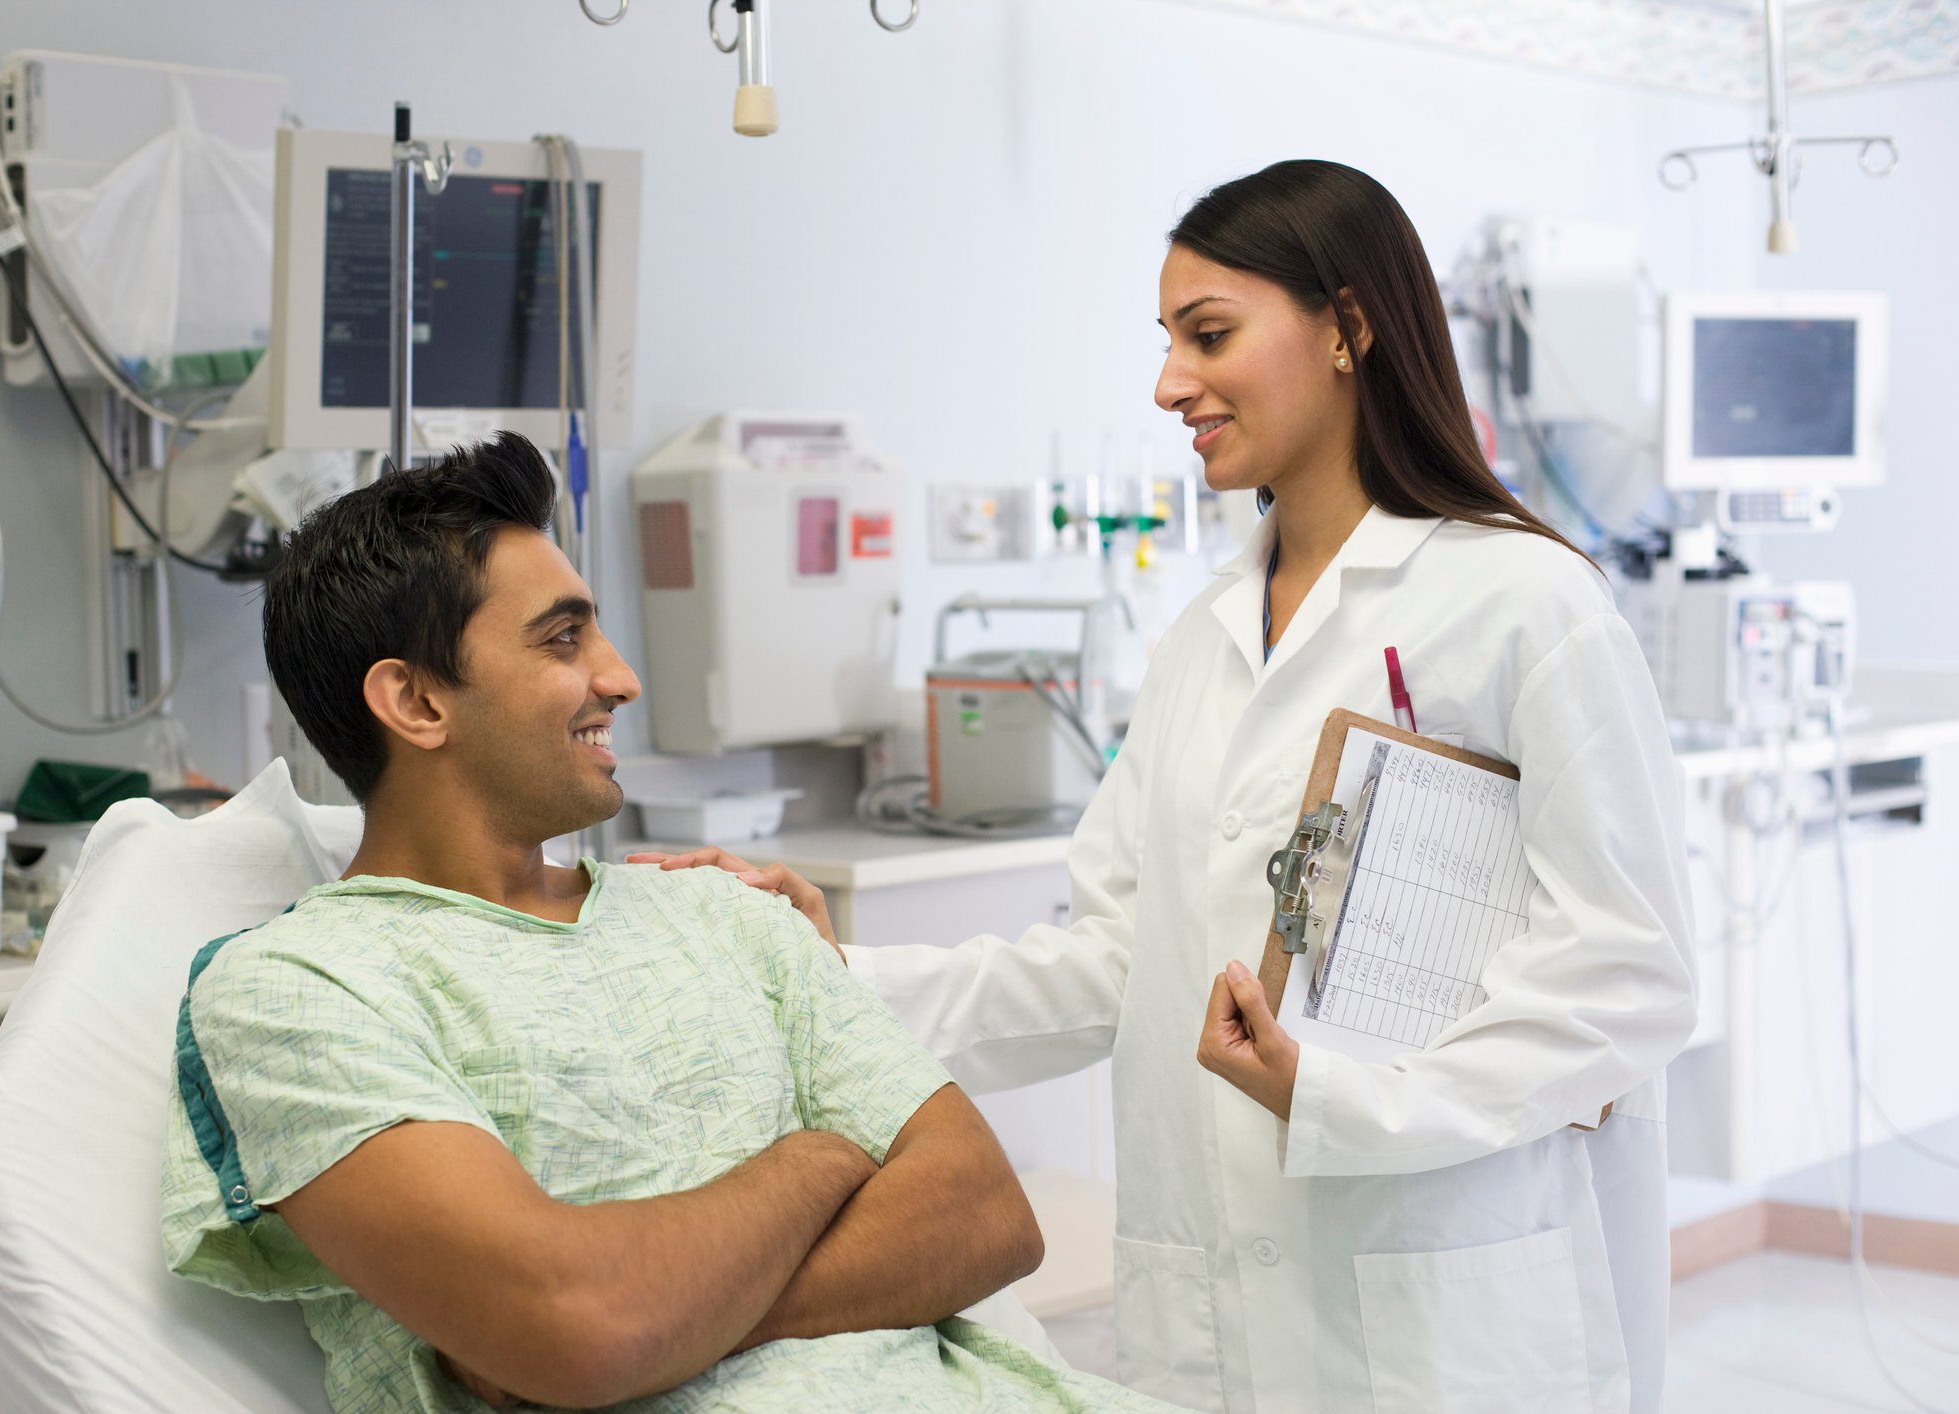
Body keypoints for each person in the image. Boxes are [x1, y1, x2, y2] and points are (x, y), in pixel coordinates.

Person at [638, 161, 1697, 1414]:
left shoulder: (1524, 604)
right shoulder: (1203, 639)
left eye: (1210, 336)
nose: (1167, 384)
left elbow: (1629, 971)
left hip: (1441, 1286)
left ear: (1349, 328)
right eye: (1167, 342)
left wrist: (1345, 1098)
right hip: (1217, 1297)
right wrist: (829, 975)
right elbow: (1115, 961)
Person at [160, 434, 1186, 1414]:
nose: (621, 676)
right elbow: (578, 1321)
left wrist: (670, 1313)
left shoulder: (719, 907)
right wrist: (823, 1156)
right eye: (563, 639)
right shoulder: (300, 990)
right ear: (417, 702)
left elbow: (985, 1215)